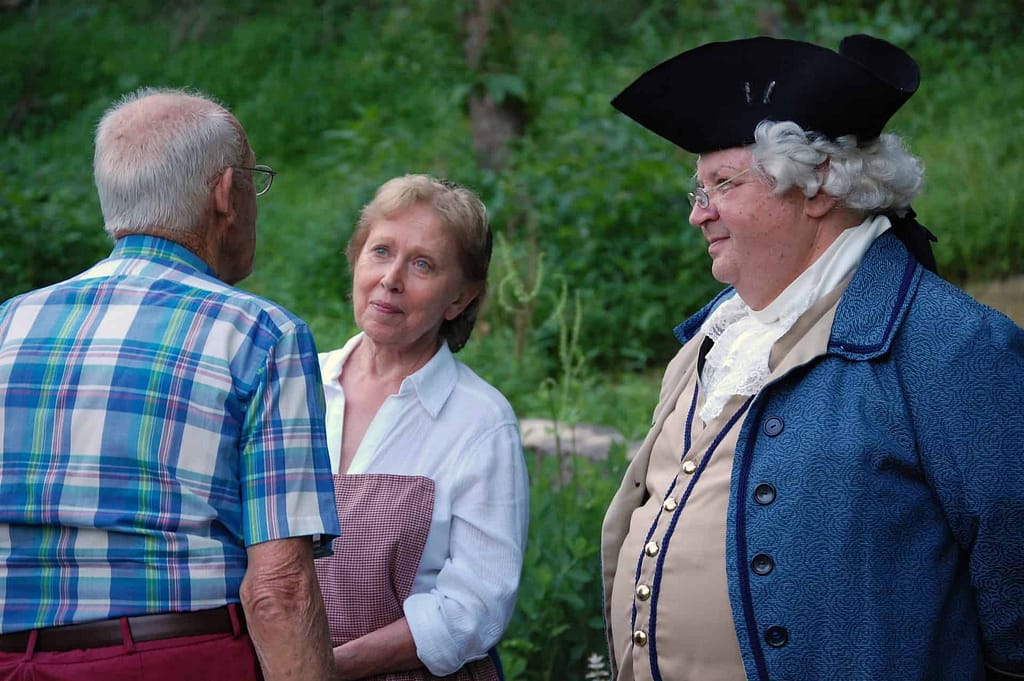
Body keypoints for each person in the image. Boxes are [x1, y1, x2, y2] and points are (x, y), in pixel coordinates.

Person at [600, 34, 1024, 681]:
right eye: (698, 188)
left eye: (721, 184)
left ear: (818, 186)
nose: (699, 213)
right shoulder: (714, 338)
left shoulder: (952, 345)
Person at [0, 87, 340, 681]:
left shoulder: (8, 324)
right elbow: (279, 589)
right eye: (253, 180)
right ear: (224, 195)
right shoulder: (260, 335)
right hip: (177, 657)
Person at [314, 174, 529, 680]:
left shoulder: (480, 421)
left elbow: (474, 607)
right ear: (356, 261)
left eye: (423, 265)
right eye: (381, 251)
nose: (392, 278)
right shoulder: (292, 388)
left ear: (459, 298)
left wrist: (321, 667)